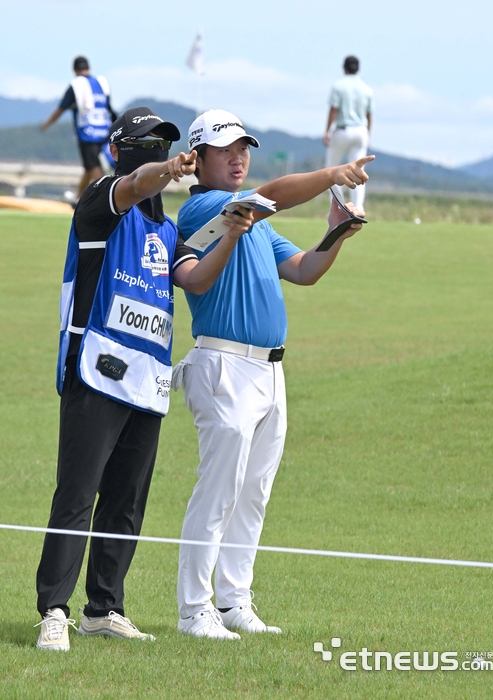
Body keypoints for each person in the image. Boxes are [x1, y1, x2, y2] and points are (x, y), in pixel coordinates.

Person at [34, 106, 254, 652]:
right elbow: (134, 184)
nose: (159, 151)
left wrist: (230, 234)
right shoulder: (101, 201)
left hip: (148, 382)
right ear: (123, 149)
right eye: (150, 143)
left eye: (167, 143)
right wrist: (171, 169)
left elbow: (196, 280)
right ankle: (54, 612)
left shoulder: (164, 226)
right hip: (96, 371)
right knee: (77, 495)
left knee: (126, 503)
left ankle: (103, 608)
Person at [173, 109, 374, 640]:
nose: (239, 157)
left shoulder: (258, 225)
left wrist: (334, 235)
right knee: (219, 491)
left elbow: (304, 270)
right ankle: (195, 610)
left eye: (244, 148)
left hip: (269, 371)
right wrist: (332, 175)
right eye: (226, 150)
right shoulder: (205, 207)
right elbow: (275, 195)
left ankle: (235, 601)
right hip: (223, 364)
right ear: (200, 159)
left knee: (254, 492)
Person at [40, 56, 117, 201]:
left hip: (88, 132)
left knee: (94, 165)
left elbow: (61, 108)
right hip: (106, 130)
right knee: (89, 167)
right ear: (89, 68)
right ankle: (78, 199)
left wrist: (46, 124)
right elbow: (110, 109)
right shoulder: (101, 83)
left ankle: (106, 198)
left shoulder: (76, 85)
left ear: (74, 69)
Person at [323, 55, 374, 211]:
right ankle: (358, 207)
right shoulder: (367, 89)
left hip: (342, 130)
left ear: (344, 67)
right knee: (359, 170)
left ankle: (337, 208)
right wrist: (368, 134)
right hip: (361, 131)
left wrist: (327, 131)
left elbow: (334, 109)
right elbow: (369, 115)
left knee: (332, 170)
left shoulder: (338, 86)